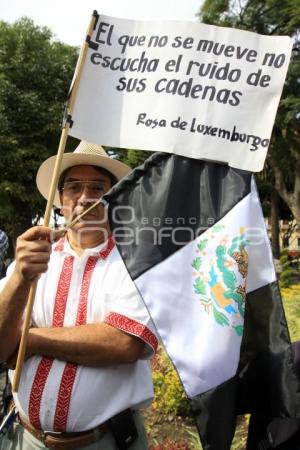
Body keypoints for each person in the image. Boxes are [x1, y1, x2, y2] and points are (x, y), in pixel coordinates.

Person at [0, 141, 159, 450]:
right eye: (74, 187)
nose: (85, 197)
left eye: (98, 188)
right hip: (24, 439)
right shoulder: (32, 260)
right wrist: (20, 276)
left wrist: (30, 339)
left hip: (106, 442)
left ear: (115, 200)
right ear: (60, 200)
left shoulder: (136, 263)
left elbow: (123, 342)